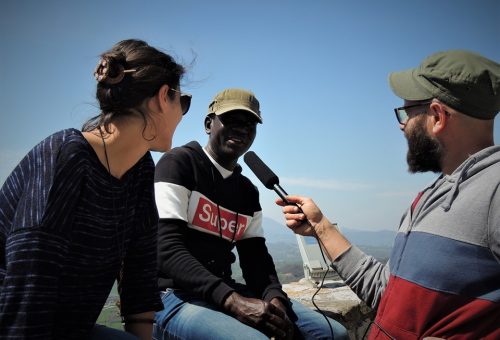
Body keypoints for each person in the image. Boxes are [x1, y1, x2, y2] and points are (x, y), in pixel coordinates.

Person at [277, 50, 500, 339]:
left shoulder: (494, 189)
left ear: (437, 116)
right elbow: (388, 293)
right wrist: (320, 227)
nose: (402, 124)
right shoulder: (428, 197)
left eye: (406, 112)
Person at [0, 39, 191, 339]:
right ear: (163, 97)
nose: (182, 113)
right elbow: (28, 293)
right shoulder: (65, 156)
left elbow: (139, 282)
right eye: (184, 101)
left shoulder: (140, 170)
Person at [153, 88, 348, 340]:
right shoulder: (178, 164)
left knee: (332, 334)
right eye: (232, 119)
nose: (242, 129)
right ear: (208, 124)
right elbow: (166, 249)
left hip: (222, 290)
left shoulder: (247, 191)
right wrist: (233, 301)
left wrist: (274, 298)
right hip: (171, 295)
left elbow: (256, 259)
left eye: (250, 123)